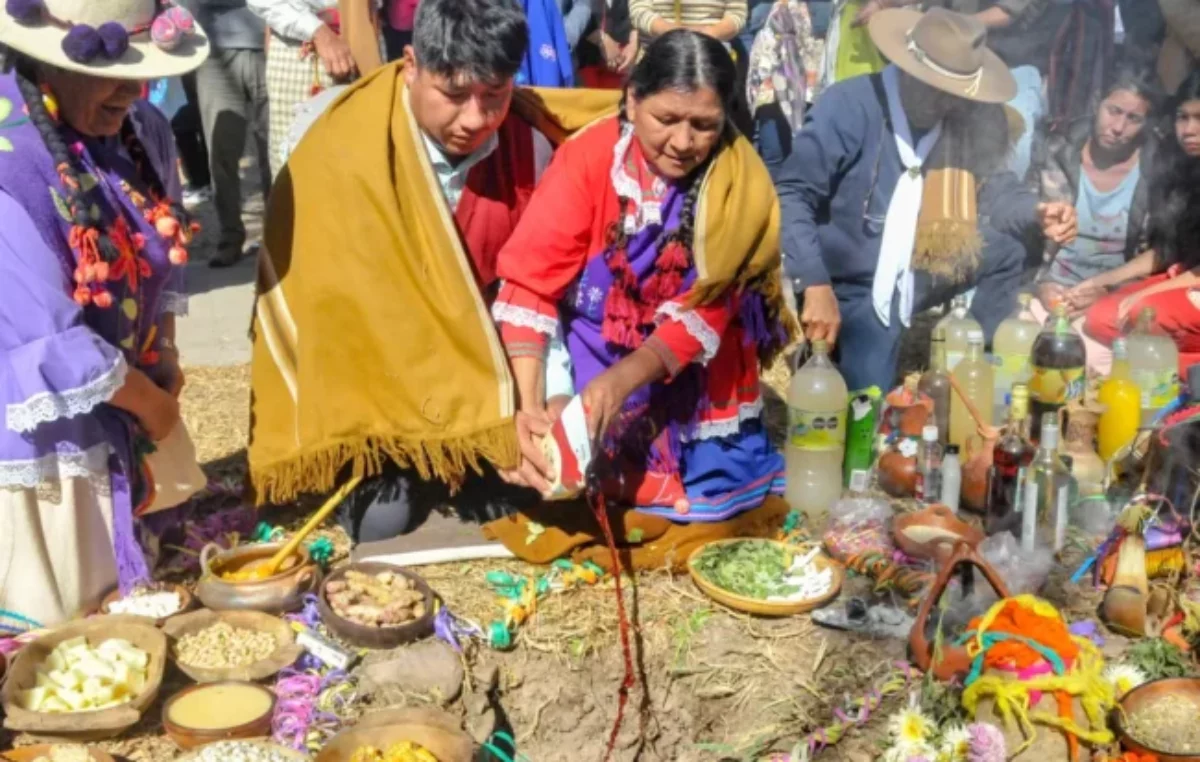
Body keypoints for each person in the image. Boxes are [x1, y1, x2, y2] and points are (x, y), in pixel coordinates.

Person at [246, 0, 616, 552]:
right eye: (454, 94)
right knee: (380, 522)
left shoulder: (531, 145)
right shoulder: (336, 145)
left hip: (490, 366)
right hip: (379, 382)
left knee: (544, 486)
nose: (474, 119)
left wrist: (544, 401)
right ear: (413, 65)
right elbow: (341, 320)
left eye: (494, 95)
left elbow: (537, 290)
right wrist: (479, 419)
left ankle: (472, 457)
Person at [489, 30, 792, 560]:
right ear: (632, 99)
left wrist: (621, 382)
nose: (683, 142)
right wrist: (535, 409)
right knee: (565, 458)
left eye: (703, 125)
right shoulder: (589, 160)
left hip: (694, 365)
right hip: (598, 345)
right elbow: (529, 283)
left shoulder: (739, 184)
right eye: (666, 120)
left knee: (714, 496)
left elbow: (709, 308)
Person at [0, 0, 207, 625]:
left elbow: (161, 248)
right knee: (74, 618)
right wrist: (151, 404)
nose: (134, 90)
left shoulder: (141, 126)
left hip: (128, 388)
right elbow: (47, 341)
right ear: (45, 62)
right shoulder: (12, 159)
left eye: (142, 70)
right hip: (44, 420)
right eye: (114, 71)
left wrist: (163, 352)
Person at [776, 8, 1076, 392]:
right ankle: (834, 349)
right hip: (852, 283)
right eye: (932, 86)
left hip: (920, 265)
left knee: (1010, 247)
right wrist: (814, 283)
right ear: (906, 67)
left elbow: (997, 189)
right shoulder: (849, 106)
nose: (944, 102)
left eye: (953, 93)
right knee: (868, 397)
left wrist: (1038, 212)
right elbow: (793, 193)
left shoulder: (966, 118)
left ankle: (976, 364)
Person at [1029, 66, 1161, 373]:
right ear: (1096, 104)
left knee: (1094, 365)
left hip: (1113, 299)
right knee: (1028, 355)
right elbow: (1026, 231)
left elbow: (1158, 257)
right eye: (1113, 111)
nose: (1118, 127)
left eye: (1133, 119)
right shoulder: (1056, 151)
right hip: (1051, 289)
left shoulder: (1155, 171)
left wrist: (1109, 293)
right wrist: (1041, 286)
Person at [1083, 69, 1200, 376]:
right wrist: (1101, 281)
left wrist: (1146, 294)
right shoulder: (1183, 168)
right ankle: (1169, 365)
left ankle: (1183, 369)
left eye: (1199, 118)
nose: (1189, 130)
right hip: (1187, 277)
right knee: (1100, 317)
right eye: (1182, 117)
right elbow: (1167, 250)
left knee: (1142, 312)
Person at [183, 0, 272, 268]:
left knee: (275, 149)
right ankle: (230, 236)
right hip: (214, 51)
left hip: (269, 44)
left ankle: (279, 236)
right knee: (221, 149)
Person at [247, 0, 379, 176]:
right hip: (304, 50)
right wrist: (319, 32)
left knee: (363, 170)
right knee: (300, 174)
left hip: (365, 44)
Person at [628, 0, 748, 48]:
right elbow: (639, 11)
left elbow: (737, 14)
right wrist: (671, 32)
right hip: (658, 55)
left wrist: (709, 33)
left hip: (710, 56)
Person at [575, 0, 638, 89]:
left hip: (620, 68)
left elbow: (638, 14)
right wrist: (602, 40)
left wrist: (633, 44)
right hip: (584, 64)